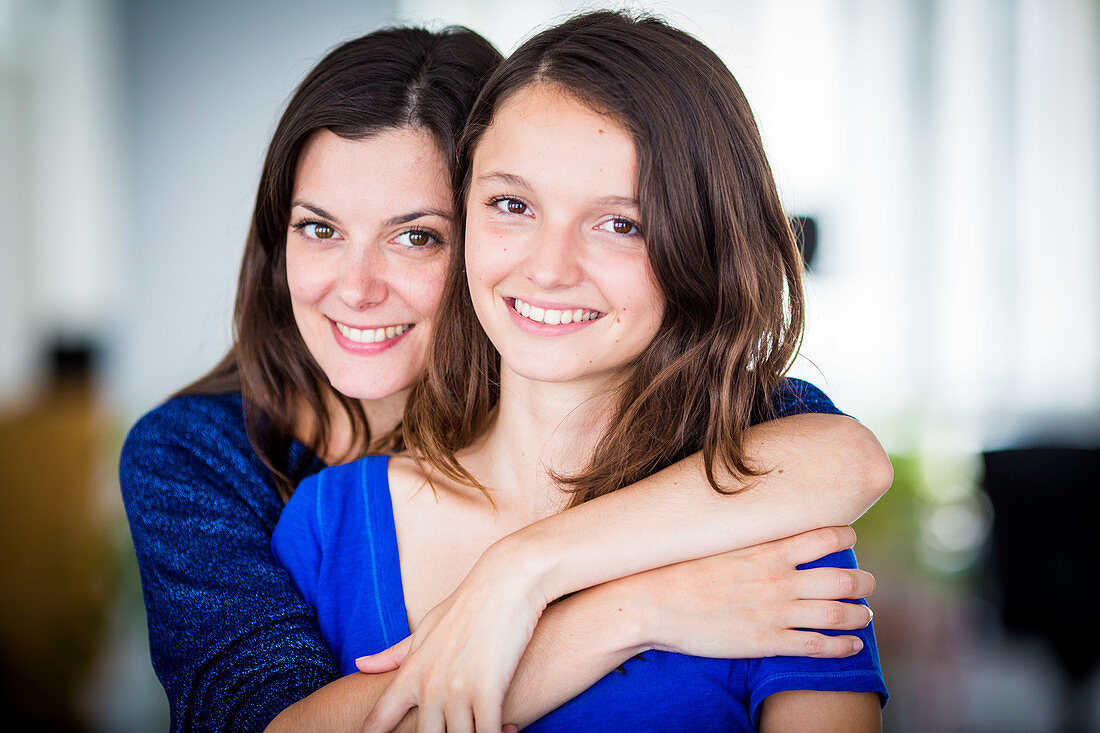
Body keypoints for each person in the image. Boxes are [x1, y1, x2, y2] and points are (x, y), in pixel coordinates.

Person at [120, 22, 889, 733]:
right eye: (318, 228)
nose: (356, 287)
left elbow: (841, 457)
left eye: (416, 236)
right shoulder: (233, 471)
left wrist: (520, 568)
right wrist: (618, 610)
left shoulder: (735, 480)